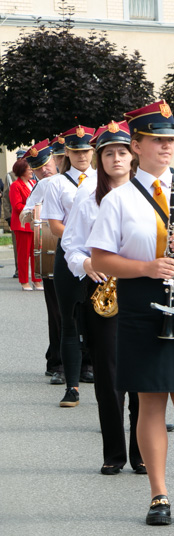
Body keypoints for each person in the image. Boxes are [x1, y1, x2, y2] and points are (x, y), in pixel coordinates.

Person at [88, 99, 174, 524]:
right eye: (158, 141)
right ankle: (158, 494)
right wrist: (146, 267)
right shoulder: (118, 199)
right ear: (137, 145)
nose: (167, 148)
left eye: (170, 140)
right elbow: (99, 259)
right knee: (149, 400)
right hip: (140, 296)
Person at [62, 120, 144, 475]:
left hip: (141, 287)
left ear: (132, 156)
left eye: (121, 152)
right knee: (109, 376)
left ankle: (142, 452)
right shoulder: (87, 197)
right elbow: (70, 243)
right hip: (102, 289)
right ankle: (114, 453)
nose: (115, 158)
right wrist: (84, 263)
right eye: (108, 153)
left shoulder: (146, 195)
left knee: (143, 374)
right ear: (100, 159)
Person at [41, 125, 97, 408]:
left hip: (101, 258)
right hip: (69, 257)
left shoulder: (105, 179)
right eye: (76, 151)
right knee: (70, 320)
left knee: (102, 318)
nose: (82, 156)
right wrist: (83, 238)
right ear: (68, 154)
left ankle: (96, 370)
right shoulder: (56, 184)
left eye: (86, 150)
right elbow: (54, 225)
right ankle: (71, 386)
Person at [22, 140, 63, 383]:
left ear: (56, 160)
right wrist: (32, 213)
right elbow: (25, 213)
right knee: (57, 311)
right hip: (53, 250)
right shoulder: (42, 186)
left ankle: (87, 360)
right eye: (38, 168)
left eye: (46, 164)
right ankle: (57, 361)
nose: (44, 170)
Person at [9, 159, 40, 291]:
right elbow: (17, 206)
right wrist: (32, 209)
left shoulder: (33, 183)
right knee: (23, 255)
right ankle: (23, 281)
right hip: (23, 224)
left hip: (35, 224)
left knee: (36, 254)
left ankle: (36, 280)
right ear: (22, 171)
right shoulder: (15, 186)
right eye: (29, 169)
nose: (32, 171)